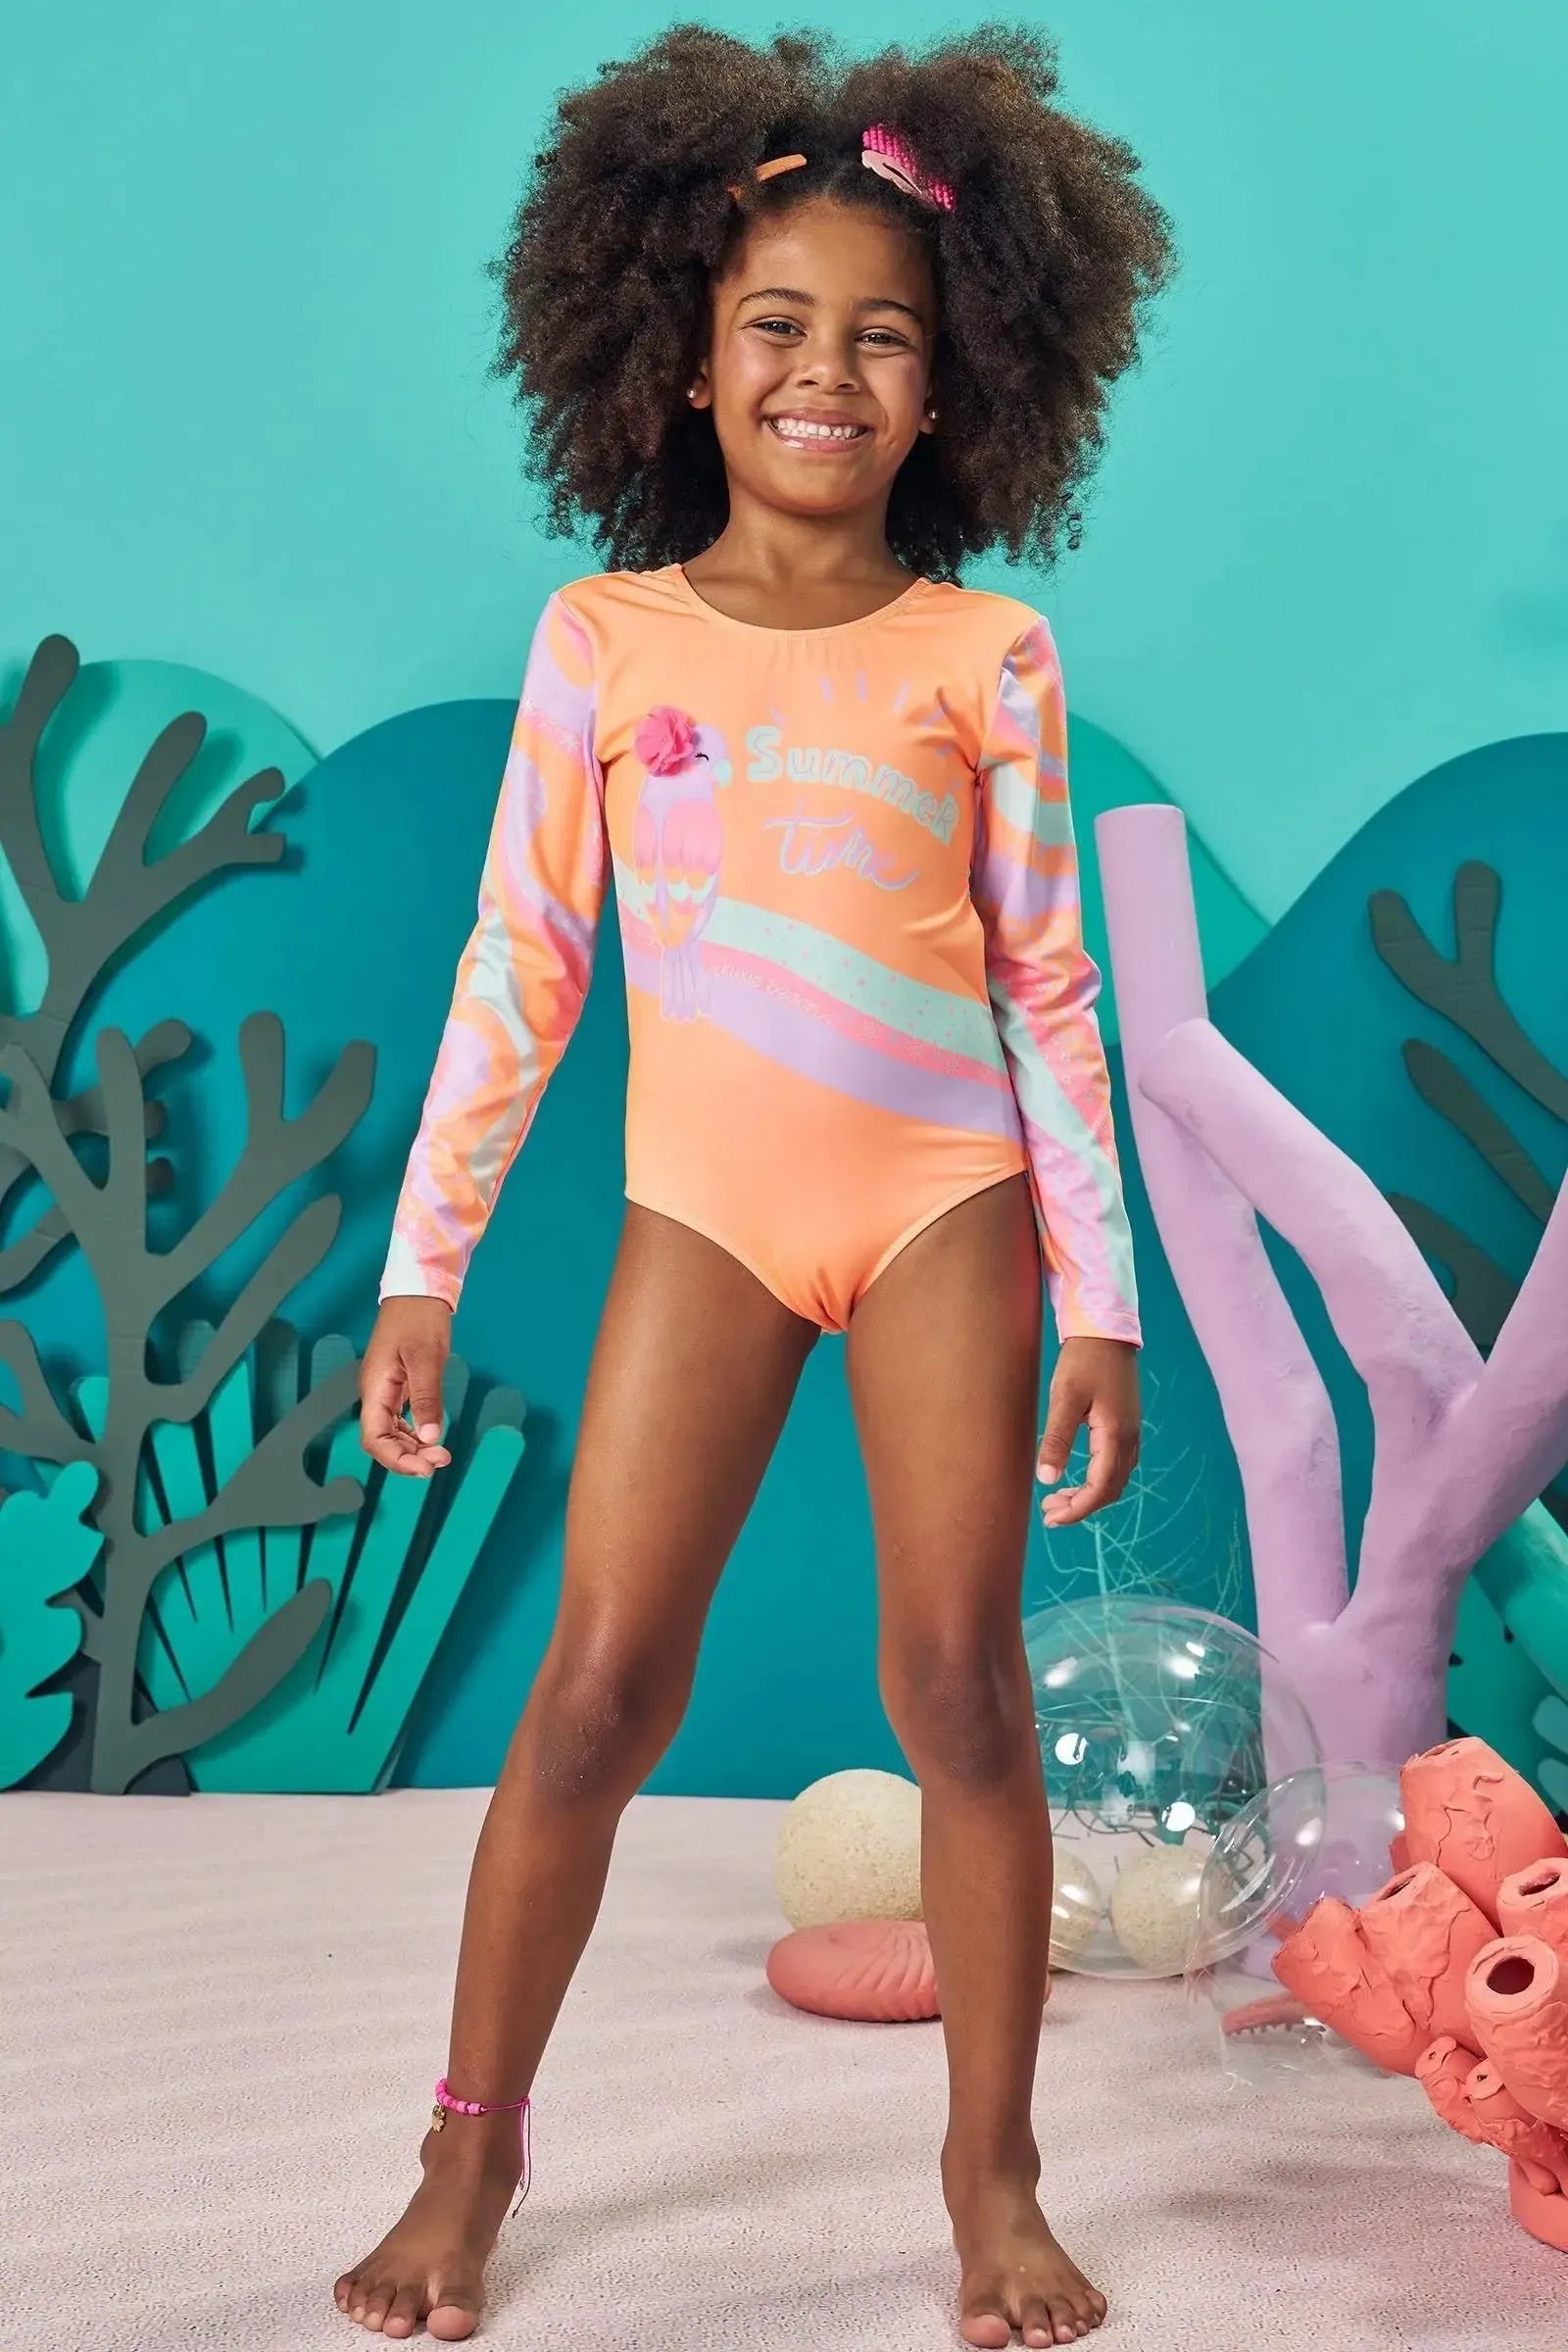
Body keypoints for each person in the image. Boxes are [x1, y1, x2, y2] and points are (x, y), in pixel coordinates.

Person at [338, 23, 1170, 2346]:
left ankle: (991, 2177)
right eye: (776, 327)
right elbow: (521, 961)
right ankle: (465, 2152)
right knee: (598, 1683)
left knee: (956, 1685)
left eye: (881, 336)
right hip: (700, 1216)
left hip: (940, 1210)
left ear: (953, 382)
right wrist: (422, 1268)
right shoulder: (603, 641)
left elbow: (1046, 985)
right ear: (684, 362)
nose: (825, 373)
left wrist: (1099, 1297)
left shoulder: (984, 652)